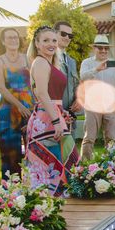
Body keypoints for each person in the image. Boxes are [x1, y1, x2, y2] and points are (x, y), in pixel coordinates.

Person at [25, 25, 79, 196]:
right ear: (37, 43)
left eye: (54, 40)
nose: (51, 44)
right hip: (46, 121)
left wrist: (61, 115)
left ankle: (60, 209)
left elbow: (53, 96)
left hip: (54, 116)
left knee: (66, 164)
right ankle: (50, 209)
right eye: (46, 40)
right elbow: (42, 93)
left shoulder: (50, 63)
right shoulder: (40, 62)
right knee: (51, 169)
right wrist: (56, 121)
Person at [79, 35, 115, 161]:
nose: (103, 51)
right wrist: (96, 69)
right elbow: (83, 77)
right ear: (94, 48)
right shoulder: (87, 63)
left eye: (106, 48)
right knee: (89, 137)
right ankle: (85, 166)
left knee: (111, 137)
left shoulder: (113, 64)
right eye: (100, 48)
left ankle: (111, 165)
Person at [0, 28, 34, 176]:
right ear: (3, 41)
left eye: (16, 38)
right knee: (10, 154)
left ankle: (35, 191)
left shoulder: (28, 58)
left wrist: (33, 107)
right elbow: (1, 88)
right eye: (9, 38)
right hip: (8, 112)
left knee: (33, 150)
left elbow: (34, 84)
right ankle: (10, 193)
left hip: (29, 109)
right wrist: (19, 105)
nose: (13, 40)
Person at [54, 21, 81, 121]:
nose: (67, 38)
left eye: (70, 35)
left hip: (70, 116)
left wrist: (79, 99)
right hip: (53, 117)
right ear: (54, 33)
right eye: (63, 34)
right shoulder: (48, 59)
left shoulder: (72, 61)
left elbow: (76, 84)